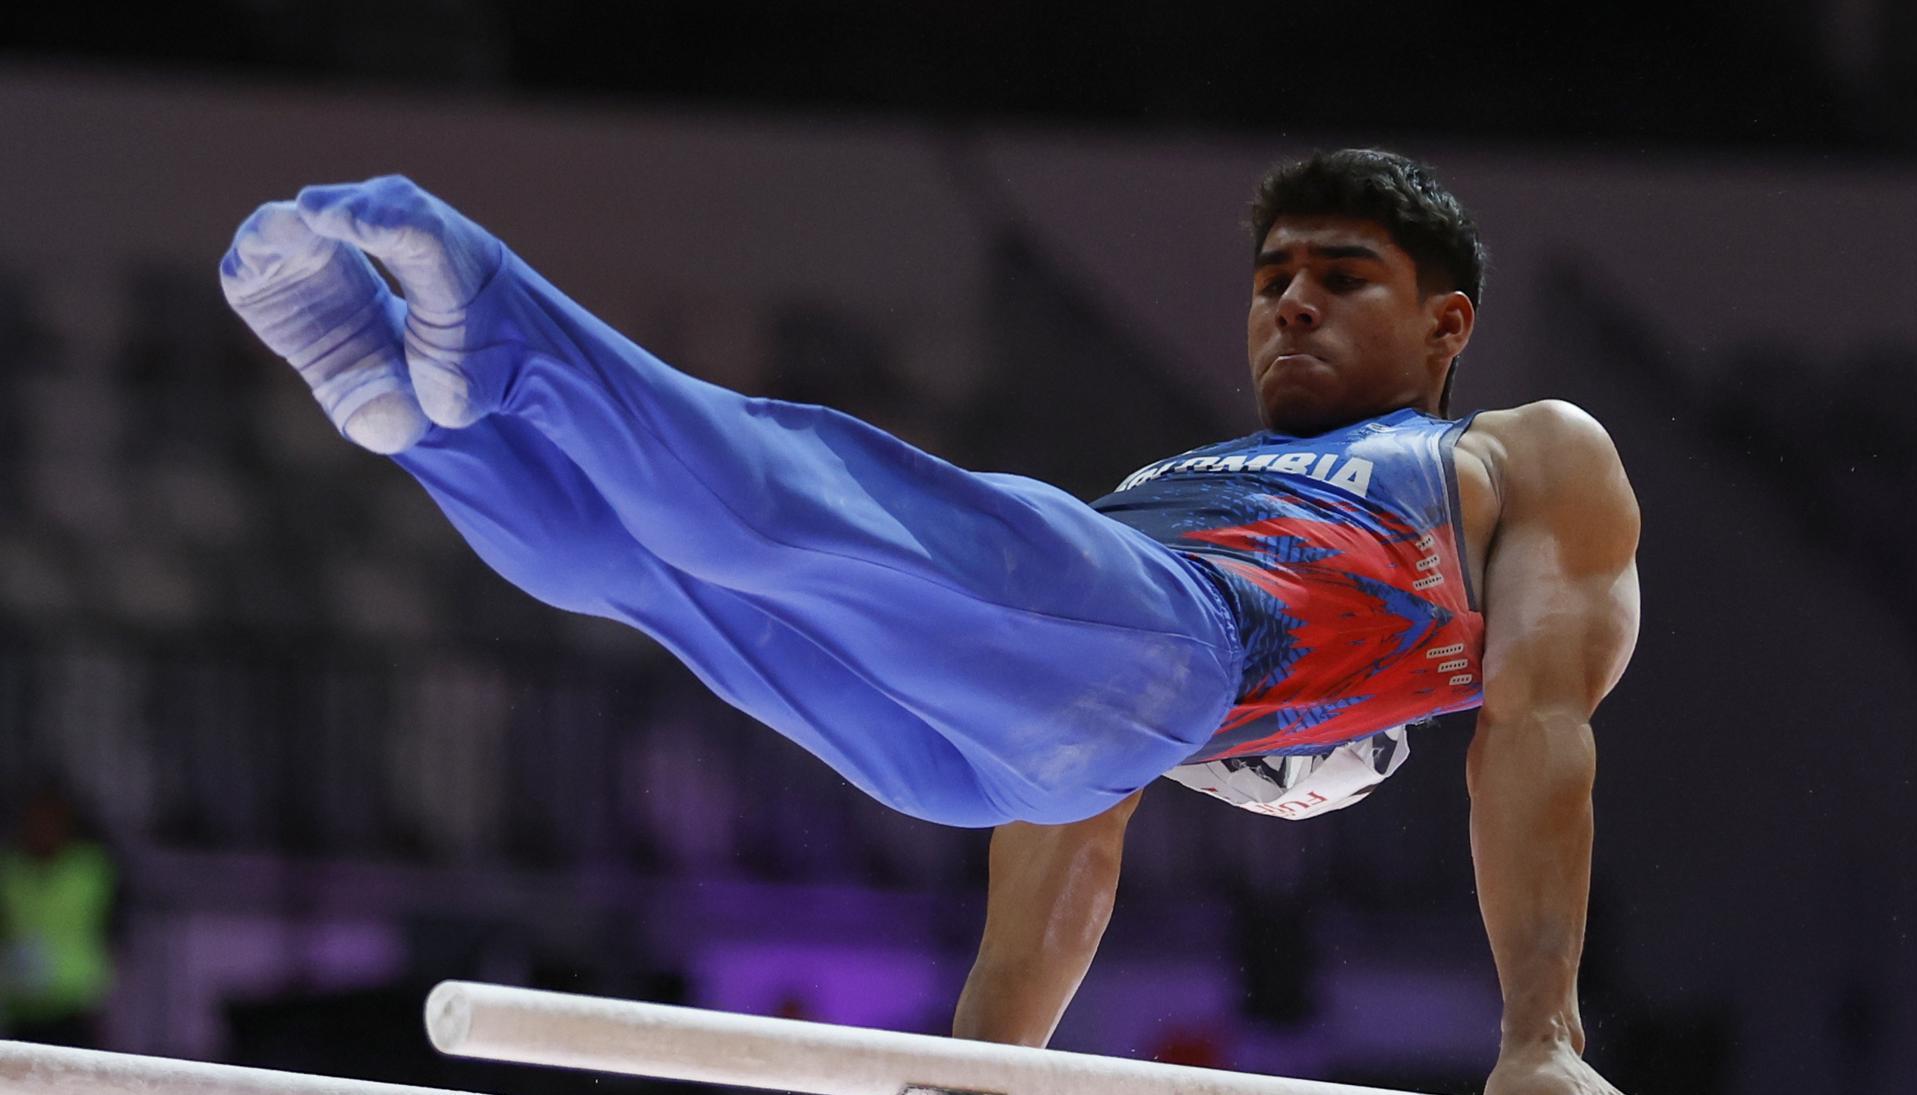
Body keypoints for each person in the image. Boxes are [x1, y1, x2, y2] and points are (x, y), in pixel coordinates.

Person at [219, 148, 1640, 1095]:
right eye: (1270, 279)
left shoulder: (1516, 457)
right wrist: (984, 1076)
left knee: (738, 542)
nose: (1289, 306)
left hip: (1179, 647)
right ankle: (409, 405)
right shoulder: (1164, 483)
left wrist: (1537, 1039)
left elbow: (1535, 723)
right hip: (1051, 724)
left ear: (1446, 326)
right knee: (692, 563)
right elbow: (1064, 852)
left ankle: (485, 347)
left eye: (1340, 278)